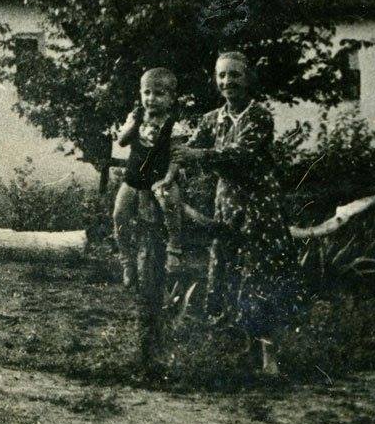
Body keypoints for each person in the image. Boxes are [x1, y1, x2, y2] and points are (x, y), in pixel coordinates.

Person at [173, 51, 301, 376]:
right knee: (227, 268)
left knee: (258, 274)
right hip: (228, 203)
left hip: (259, 207)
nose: (228, 81)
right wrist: (172, 165)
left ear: (248, 78)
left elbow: (239, 155)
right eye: (222, 76)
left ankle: (269, 359)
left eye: (235, 75)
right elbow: (189, 148)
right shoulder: (212, 118)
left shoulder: (259, 116)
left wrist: (196, 154)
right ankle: (238, 350)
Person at [113, 67, 184, 289]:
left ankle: (174, 249)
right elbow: (122, 142)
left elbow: (175, 157)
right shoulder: (135, 117)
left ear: (171, 99)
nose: (151, 99)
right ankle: (127, 261)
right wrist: (135, 122)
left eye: (159, 94)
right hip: (134, 177)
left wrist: (170, 178)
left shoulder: (173, 125)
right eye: (147, 93)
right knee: (119, 214)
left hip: (160, 178)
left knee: (171, 204)